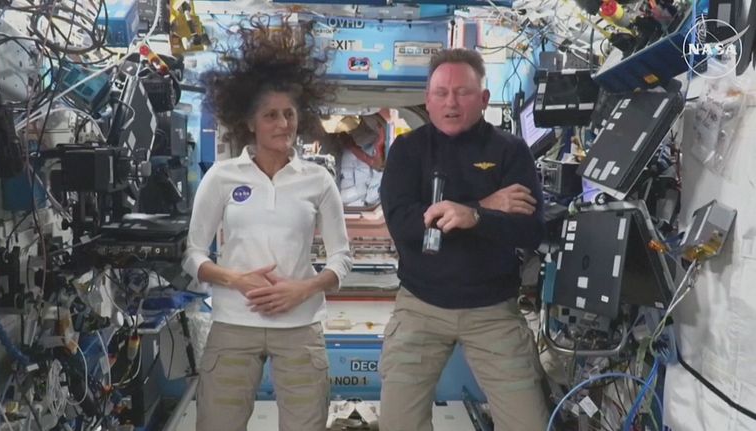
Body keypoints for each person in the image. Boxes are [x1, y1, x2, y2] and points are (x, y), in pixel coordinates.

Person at [182, 18, 352, 431]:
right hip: (233, 323)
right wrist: (236, 279)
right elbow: (193, 256)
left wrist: (304, 288)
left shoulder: (318, 180)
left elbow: (342, 260)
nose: (283, 124)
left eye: (289, 114)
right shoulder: (221, 177)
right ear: (250, 122)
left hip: (300, 326)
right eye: (271, 115)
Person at [378, 48, 549, 431]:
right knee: (397, 423)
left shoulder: (510, 151)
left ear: (484, 98)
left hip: (493, 311)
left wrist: (473, 217)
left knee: (528, 424)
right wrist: (485, 206)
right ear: (427, 99)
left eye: (462, 92)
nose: (451, 103)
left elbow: (531, 231)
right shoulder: (408, 150)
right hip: (420, 307)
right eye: (441, 93)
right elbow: (404, 225)